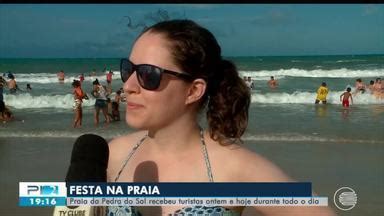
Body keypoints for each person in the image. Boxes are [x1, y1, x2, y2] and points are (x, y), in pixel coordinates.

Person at [107, 19, 335, 216]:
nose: (128, 86)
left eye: (148, 74)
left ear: (193, 91)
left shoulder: (236, 168)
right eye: (128, 70)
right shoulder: (112, 156)